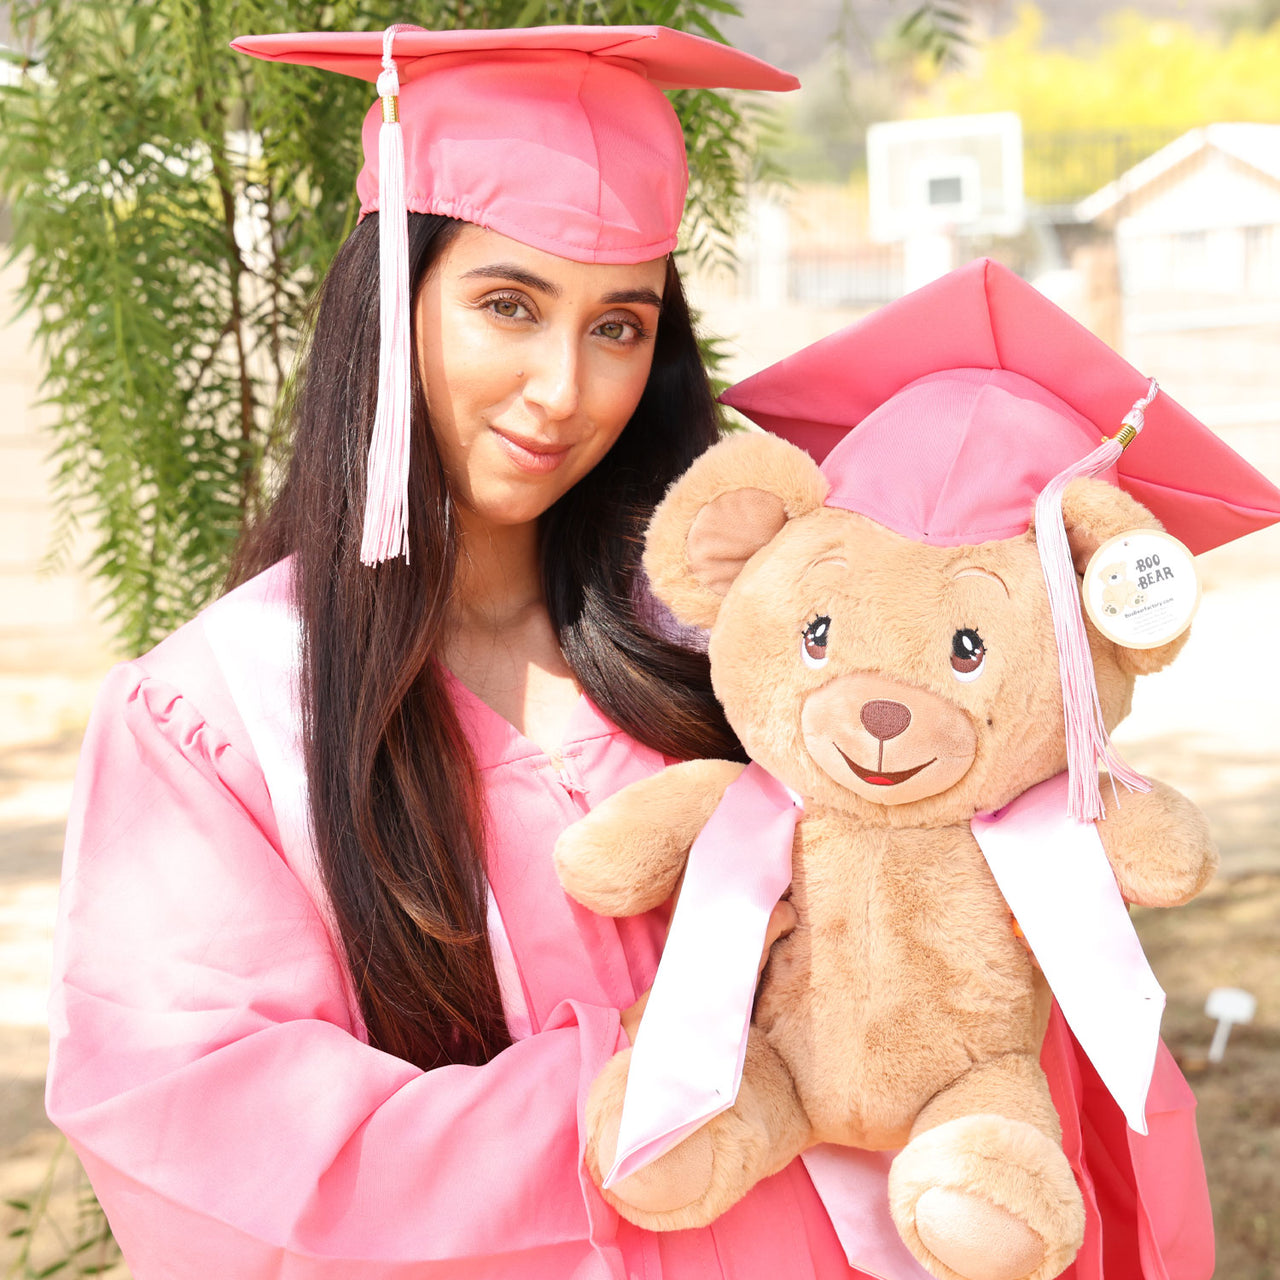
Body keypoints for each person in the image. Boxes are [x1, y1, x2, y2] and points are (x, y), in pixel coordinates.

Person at [46, 21, 877, 1280]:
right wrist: (654, 1085)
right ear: (391, 298)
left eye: (619, 324)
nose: (564, 388)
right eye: (507, 304)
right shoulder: (223, 714)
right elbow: (209, 1129)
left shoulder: (732, 635)